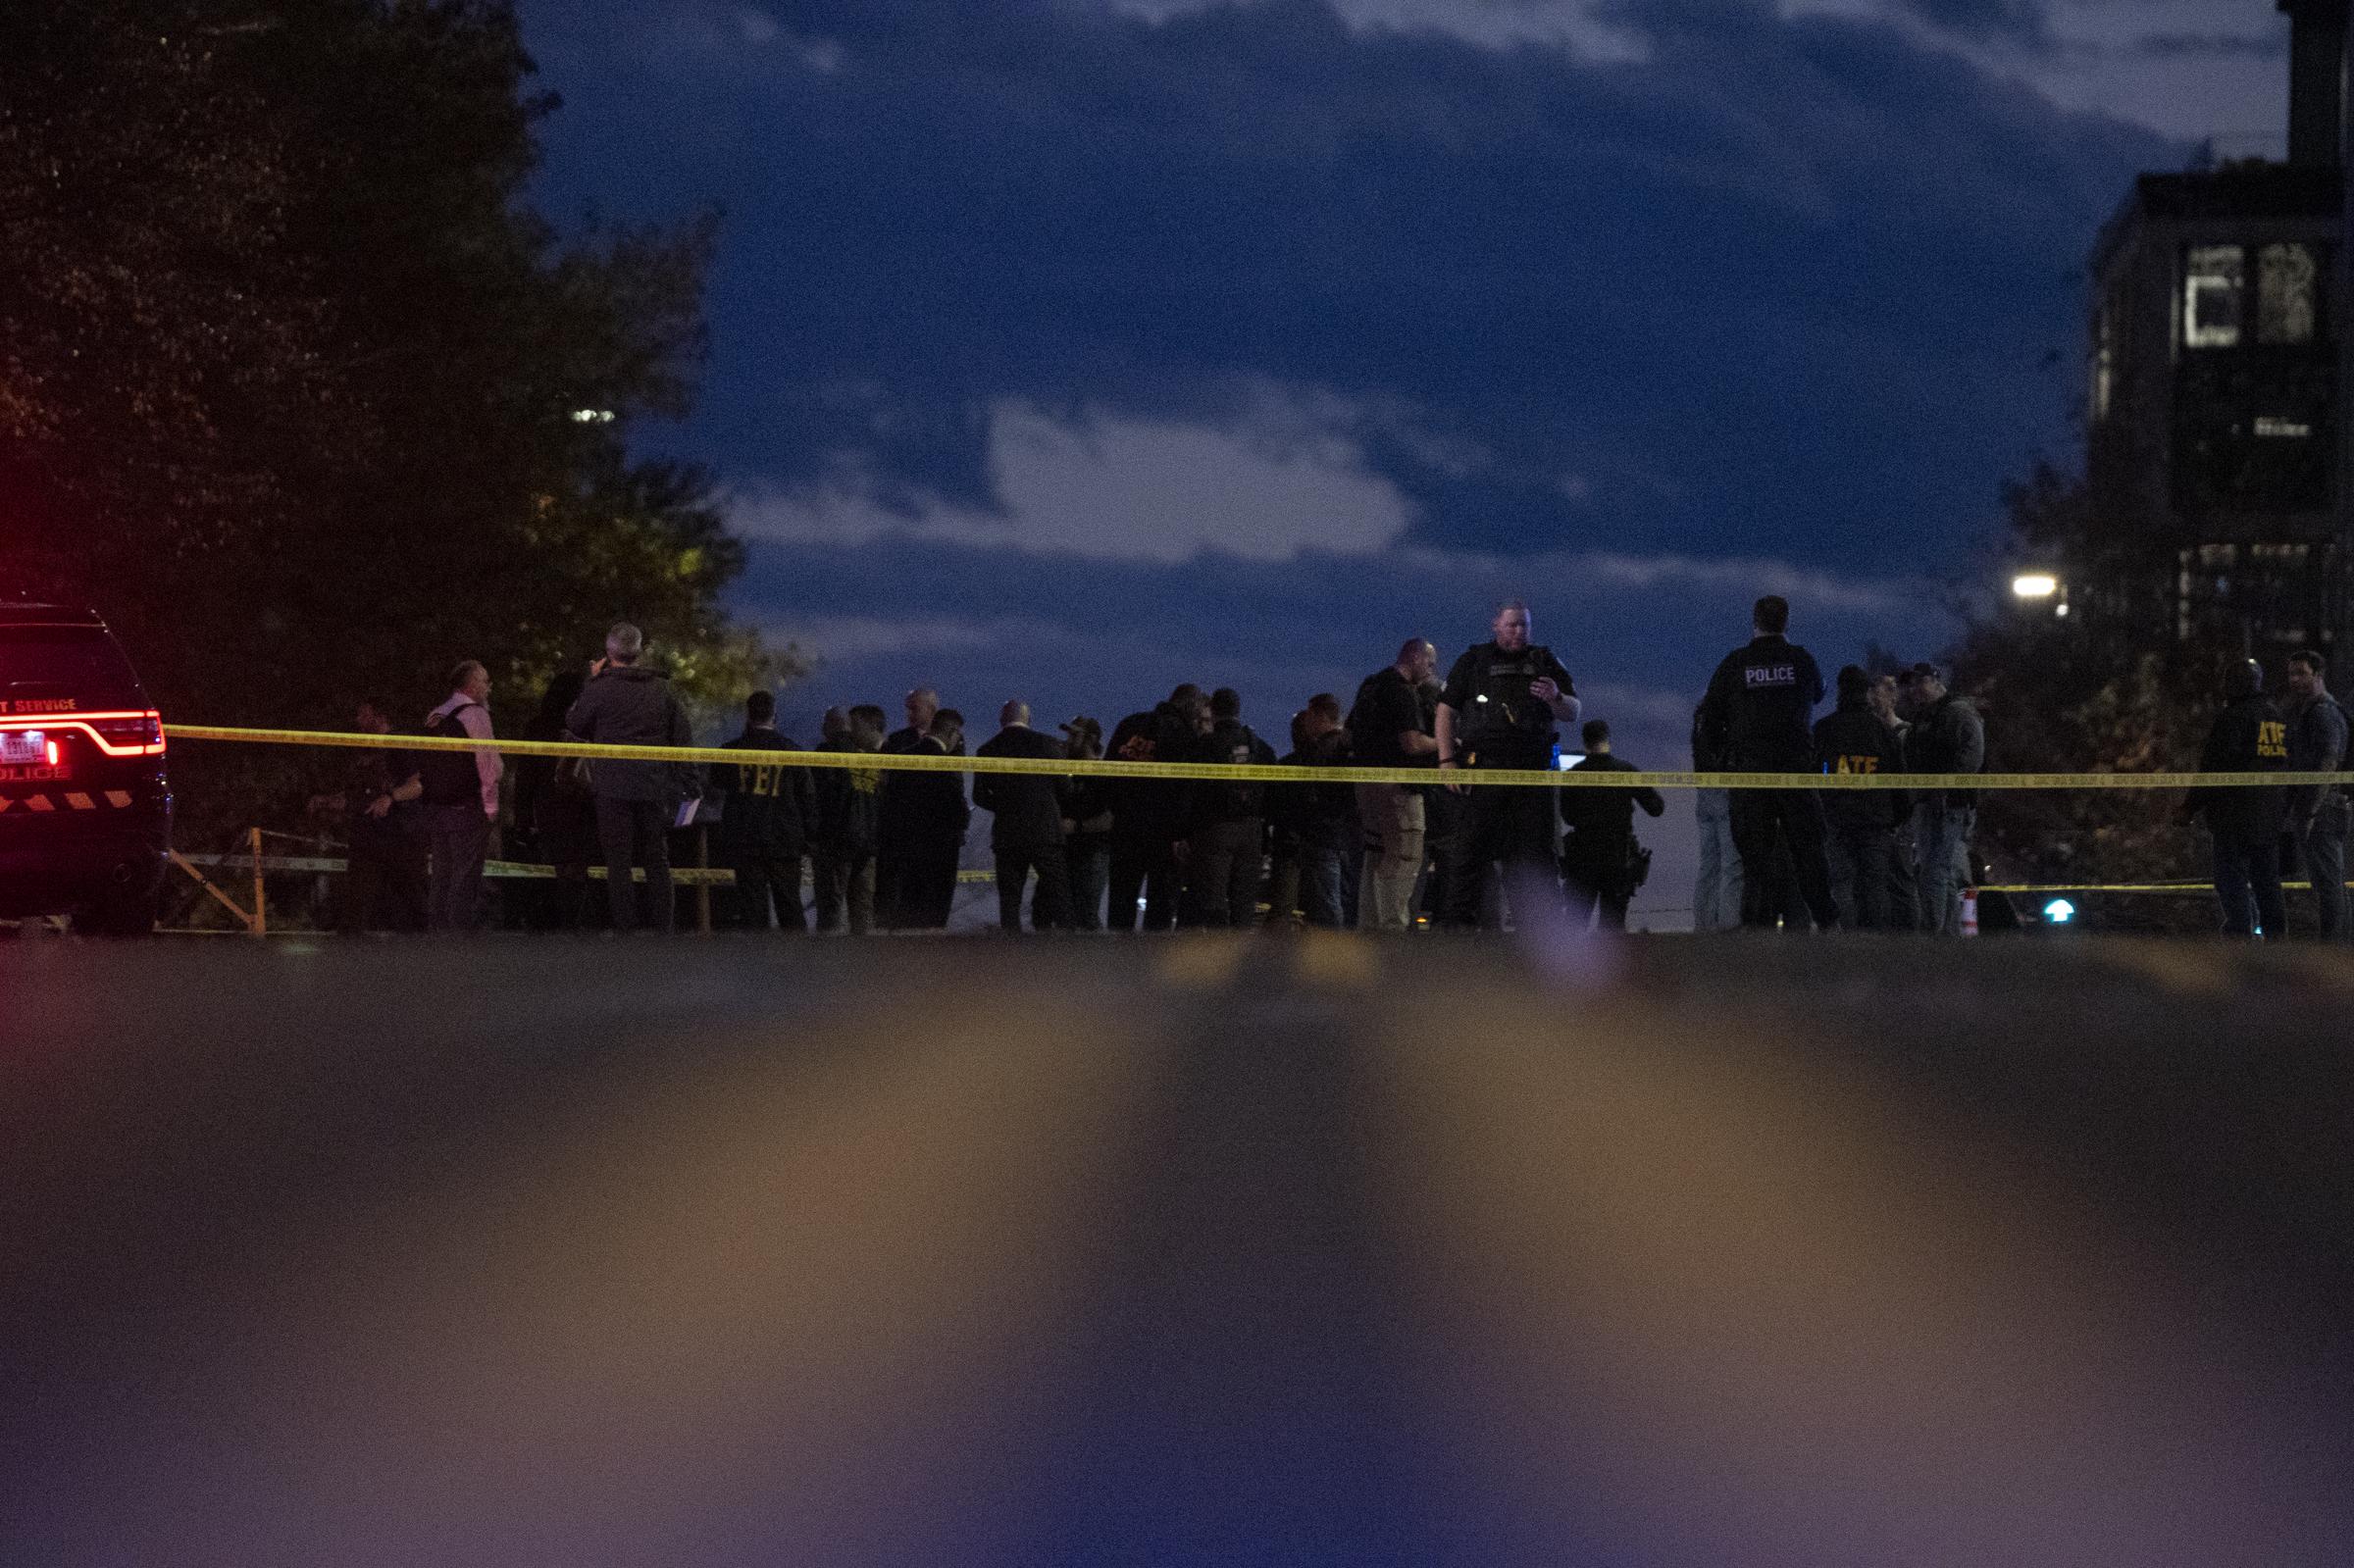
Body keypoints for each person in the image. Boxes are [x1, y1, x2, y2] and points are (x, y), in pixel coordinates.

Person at [1696, 596, 1837, 932]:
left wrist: (1722, 757)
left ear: (1754, 620)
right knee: (1808, 851)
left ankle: (1753, 928)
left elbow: (1709, 718)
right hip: (1795, 772)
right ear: (1786, 623)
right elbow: (1818, 692)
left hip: (1750, 773)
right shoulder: (1801, 660)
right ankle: (1827, 922)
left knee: (1753, 857)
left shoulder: (1735, 664)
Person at [1435, 600, 1578, 929]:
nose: (1518, 632)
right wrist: (1446, 760)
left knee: (1534, 858)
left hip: (1532, 777)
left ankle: (1538, 932)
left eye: (1524, 625)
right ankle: (1457, 932)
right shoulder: (1474, 661)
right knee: (1468, 853)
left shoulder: (1544, 660)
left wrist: (1555, 696)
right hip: (1484, 771)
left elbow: (1573, 712)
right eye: (1512, 625)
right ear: (1495, 625)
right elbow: (1445, 711)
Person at [565, 623, 697, 936]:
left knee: (618, 863)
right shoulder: (662, 690)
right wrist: (682, 784)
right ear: (639, 652)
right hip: (653, 787)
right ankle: (662, 929)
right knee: (656, 859)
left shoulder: (599, 689)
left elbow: (575, 723)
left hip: (612, 789)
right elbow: (683, 738)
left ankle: (626, 930)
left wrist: (591, 681)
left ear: (609, 654)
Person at [2186, 657, 2288, 937]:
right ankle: (2277, 938)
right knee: (2267, 880)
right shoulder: (2276, 716)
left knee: (2231, 878)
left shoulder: (2233, 718)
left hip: (2234, 814)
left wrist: (2188, 808)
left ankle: (2240, 933)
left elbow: (2214, 769)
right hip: (2269, 815)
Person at [1346, 638, 1439, 931]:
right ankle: (1391, 931)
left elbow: (1347, 736)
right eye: (1430, 663)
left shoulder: (1371, 686)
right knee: (1404, 854)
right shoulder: (1402, 692)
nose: (1432, 670)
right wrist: (1447, 743)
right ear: (1415, 658)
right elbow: (1411, 743)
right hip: (1398, 788)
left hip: (1366, 786)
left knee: (1375, 853)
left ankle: (1368, 927)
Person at [315, 701, 427, 935]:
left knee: (413, 901)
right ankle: (350, 955)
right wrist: (329, 801)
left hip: (400, 835)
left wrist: (391, 797)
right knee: (356, 903)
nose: (359, 721)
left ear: (380, 716)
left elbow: (419, 784)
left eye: (364, 715)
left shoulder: (399, 743)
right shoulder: (363, 749)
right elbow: (356, 794)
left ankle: (429, 949)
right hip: (366, 835)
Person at [1813, 665, 1908, 930]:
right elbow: (1899, 778)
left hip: (1837, 818)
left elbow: (1810, 774)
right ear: (1865, 692)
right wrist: (1898, 817)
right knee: (1875, 884)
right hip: (1876, 822)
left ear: (1840, 691)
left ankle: (1846, 944)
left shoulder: (1824, 729)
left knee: (1841, 882)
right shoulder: (1883, 732)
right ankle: (1873, 947)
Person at [711, 689, 814, 933]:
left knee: (752, 907)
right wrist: (809, 836)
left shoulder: (731, 751)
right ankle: (798, 962)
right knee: (789, 903)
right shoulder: (792, 751)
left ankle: (756, 963)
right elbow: (807, 797)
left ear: (748, 714)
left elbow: (717, 783)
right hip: (784, 838)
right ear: (774, 715)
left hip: (745, 837)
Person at [973, 700, 1071, 933]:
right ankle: (1071, 946)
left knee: (1010, 898)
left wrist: (1006, 806)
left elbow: (979, 796)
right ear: (1029, 719)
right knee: (1059, 892)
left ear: (1001, 720)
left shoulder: (987, 750)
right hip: (1045, 830)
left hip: (1008, 834)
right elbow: (1065, 789)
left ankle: (1012, 952)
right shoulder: (1049, 745)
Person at [1902, 661, 1985, 936]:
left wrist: (1946, 789)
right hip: (1928, 804)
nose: (1914, 689)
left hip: (1950, 806)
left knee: (1935, 871)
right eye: (1911, 684)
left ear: (1936, 681)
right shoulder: (1925, 719)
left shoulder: (1957, 713)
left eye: (1919, 682)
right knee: (1942, 872)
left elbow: (1972, 755)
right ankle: (1948, 936)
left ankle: (1932, 935)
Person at [1558, 719, 1664, 932]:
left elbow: (1568, 816)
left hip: (1583, 858)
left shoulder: (1573, 776)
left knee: (1574, 930)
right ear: (1608, 741)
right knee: (1612, 932)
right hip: (1618, 858)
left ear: (1585, 743)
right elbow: (1656, 808)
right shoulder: (1627, 772)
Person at [1183, 687, 1277, 928]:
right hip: (1253, 830)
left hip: (1214, 829)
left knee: (1213, 898)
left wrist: (1185, 831)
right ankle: (1241, 952)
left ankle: (1218, 952)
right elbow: (1273, 791)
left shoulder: (1206, 745)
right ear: (1238, 711)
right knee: (1244, 900)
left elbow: (1191, 790)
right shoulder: (1261, 748)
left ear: (1213, 711)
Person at [511, 671, 595, 930]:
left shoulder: (537, 726)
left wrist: (522, 819)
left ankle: (545, 924)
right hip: (580, 806)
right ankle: (573, 924)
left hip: (547, 808)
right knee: (576, 873)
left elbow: (524, 777)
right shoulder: (585, 727)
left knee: (549, 870)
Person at [422, 659, 500, 933]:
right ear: (472, 685)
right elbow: (487, 766)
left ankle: (437, 930)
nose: (489, 687)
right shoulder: (476, 715)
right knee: (465, 874)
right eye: (485, 680)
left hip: (438, 807)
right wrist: (491, 807)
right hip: (468, 808)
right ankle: (458, 935)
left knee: (441, 873)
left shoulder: (436, 715)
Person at [1104, 697, 1192, 933]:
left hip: (1126, 826)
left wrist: (1115, 809)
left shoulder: (1130, 725)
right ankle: (1151, 962)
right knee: (1160, 905)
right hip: (1164, 833)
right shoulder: (1184, 734)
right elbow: (1185, 789)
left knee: (1121, 900)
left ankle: (1116, 956)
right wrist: (1181, 832)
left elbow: (1106, 772)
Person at [2281, 651, 2348, 941]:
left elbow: (2329, 759)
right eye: (2291, 674)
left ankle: (2334, 947)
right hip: (2320, 807)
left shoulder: (2323, 712)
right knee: (2325, 881)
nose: (2294, 680)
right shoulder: (2309, 711)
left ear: (2318, 675)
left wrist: (2310, 811)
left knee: (2329, 881)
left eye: (2301, 673)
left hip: (2323, 809)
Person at [894, 707, 971, 930]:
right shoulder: (947, 765)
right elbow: (955, 806)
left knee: (908, 905)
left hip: (906, 844)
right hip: (941, 846)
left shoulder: (902, 759)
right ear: (952, 733)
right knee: (935, 909)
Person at [877, 686, 941, 928]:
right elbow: (885, 781)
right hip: (902, 828)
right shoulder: (896, 741)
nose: (909, 713)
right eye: (907, 708)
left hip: (933, 830)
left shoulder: (950, 741)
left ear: (931, 709)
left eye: (914, 708)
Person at [1868, 671, 1920, 932]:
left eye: (1878, 697)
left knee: (1901, 878)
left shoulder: (1904, 735)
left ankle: (1911, 939)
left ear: (1891, 699)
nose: (1874, 703)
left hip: (1900, 818)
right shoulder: (1871, 735)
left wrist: (1903, 816)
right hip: (1878, 817)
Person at [1689, 702, 1742, 933]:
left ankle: (1703, 926)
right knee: (1733, 865)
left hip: (1704, 792)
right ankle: (1728, 928)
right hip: (1724, 791)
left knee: (1709, 865)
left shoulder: (1700, 717)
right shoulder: (1725, 715)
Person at [1059, 717, 1112, 932]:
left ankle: (1095, 960)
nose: (1068, 740)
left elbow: (1110, 818)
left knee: (1086, 912)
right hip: (1067, 852)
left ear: (1090, 739)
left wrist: (1077, 827)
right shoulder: (1065, 772)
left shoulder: (1103, 774)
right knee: (1068, 913)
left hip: (1093, 852)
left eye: (1074, 735)